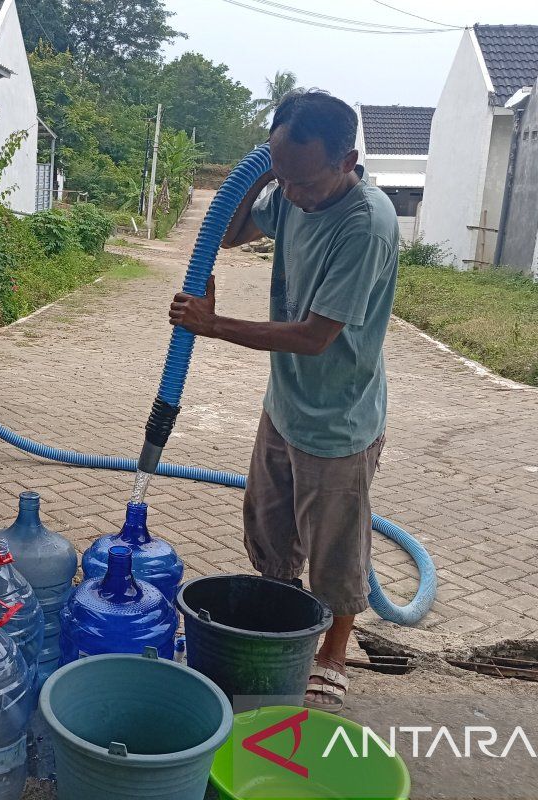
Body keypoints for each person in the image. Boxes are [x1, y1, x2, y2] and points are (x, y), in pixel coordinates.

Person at [168, 90, 398, 714]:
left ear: (348, 159)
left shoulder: (364, 224)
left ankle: (332, 654)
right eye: (283, 174)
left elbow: (314, 337)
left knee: (335, 550)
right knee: (268, 530)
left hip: (339, 420)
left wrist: (213, 326)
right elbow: (236, 231)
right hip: (286, 403)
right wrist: (260, 173)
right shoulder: (294, 188)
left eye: (306, 178)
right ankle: (283, 620)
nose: (292, 194)